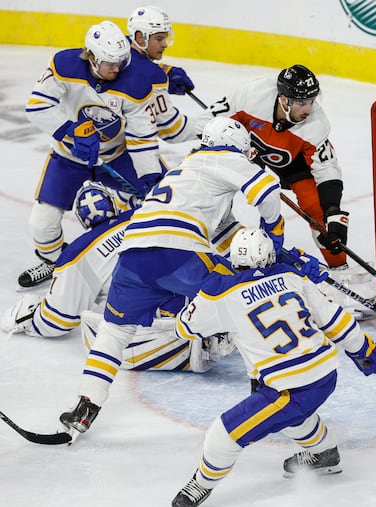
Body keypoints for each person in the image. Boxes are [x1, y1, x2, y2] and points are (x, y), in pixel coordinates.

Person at [58, 117, 285, 438]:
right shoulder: (228, 158)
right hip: (178, 251)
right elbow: (267, 190)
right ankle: (264, 392)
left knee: (114, 332)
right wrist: (274, 234)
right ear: (239, 147)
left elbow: (213, 218)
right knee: (241, 303)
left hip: (133, 253)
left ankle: (85, 407)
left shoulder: (185, 167)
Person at [171, 228, 376, 507]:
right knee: (287, 413)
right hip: (324, 373)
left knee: (223, 434)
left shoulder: (221, 293)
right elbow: (335, 319)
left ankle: (198, 486)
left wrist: (209, 289)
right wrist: (364, 350)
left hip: (291, 387)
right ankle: (323, 452)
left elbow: (183, 328)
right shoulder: (292, 275)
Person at [19, 19, 196, 289]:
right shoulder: (65, 66)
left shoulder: (135, 81)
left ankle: (168, 258)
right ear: (91, 57)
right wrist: (71, 132)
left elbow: (141, 133)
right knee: (41, 224)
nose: (117, 69)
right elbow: (37, 106)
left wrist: (148, 174)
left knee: (164, 200)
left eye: (121, 62)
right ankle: (54, 262)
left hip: (118, 155)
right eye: (110, 64)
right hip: (69, 157)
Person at [1, 181, 238, 372]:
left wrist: (27, 317)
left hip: (139, 329)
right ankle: (214, 322)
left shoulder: (77, 253)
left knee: (113, 330)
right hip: (195, 296)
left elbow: (58, 321)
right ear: (114, 206)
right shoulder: (148, 212)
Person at [198, 64, 376, 314]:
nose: (309, 109)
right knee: (217, 189)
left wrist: (333, 211)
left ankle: (339, 270)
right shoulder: (251, 95)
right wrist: (226, 150)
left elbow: (327, 170)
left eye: (312, 101)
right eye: (302, 103)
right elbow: (212, 122)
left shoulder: (316, 125)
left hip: (293, 165)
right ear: (284, 99)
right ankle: (207, 247)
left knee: (316, 209)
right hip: (247, 153)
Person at [126, 5, 195, 96]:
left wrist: (163, 70)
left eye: (165, 39)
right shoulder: (153, 74)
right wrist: (160, 74)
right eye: (159, 39)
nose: (165, 45)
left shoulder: (121, 46)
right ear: (140, 38)